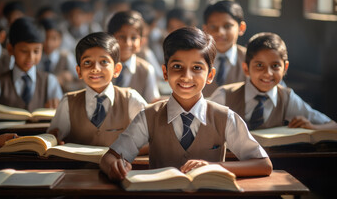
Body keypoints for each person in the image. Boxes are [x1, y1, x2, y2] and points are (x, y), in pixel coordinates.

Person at [100, 27, 272, 181]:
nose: (186, 76)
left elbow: (263, 164)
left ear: (210, 75)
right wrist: (114, 166)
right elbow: (109, 157)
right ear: (165, 73)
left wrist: (215, 167)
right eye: (177, 67)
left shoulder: (225, 117)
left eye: (197, 68)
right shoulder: (148, 116)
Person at [210, 32, 337, 130]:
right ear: (246, 68)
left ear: (285, 68)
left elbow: (332, 126)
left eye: (275, 66)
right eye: (259, 65)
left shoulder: (287, 99)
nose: (268, 73)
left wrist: (313, 128)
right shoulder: (224, 96)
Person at [47, 32, 147, 146]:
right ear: (79, 71)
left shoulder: (131, 99)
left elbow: (150, 139)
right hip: (77, 164)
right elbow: (54, 138)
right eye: (87, 62)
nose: (95, 69)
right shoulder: (68, 103)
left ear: (117, 69)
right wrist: (55, 140)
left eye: (104, 62)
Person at [0, 17, 63, 118]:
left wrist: (57, 107)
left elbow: (61, 117)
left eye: (36, 51)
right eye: (24, 51)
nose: (30, 57)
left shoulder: (50, 81)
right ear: (10, 49)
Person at [107, 10, 160, 103]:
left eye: (134, 38)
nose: (128, 43)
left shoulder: (146, 70)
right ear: (109, 38)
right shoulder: (102, 65)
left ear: (141, 42)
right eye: (121, 37)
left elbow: (152, 104)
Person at [202, 0, 247, 97]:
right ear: (205, 29)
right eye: (213, 26)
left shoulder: (251, 59)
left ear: (241, 28)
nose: (220, 32)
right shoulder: (196, 58)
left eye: (227, 26)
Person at [37, 18, 82, 92]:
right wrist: (57, 79)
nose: (49, 43)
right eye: (45, 38)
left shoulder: (66, 56)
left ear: (60, 39)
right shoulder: (35, 57)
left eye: (54, 38)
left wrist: (70, 78)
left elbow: (79, 78)